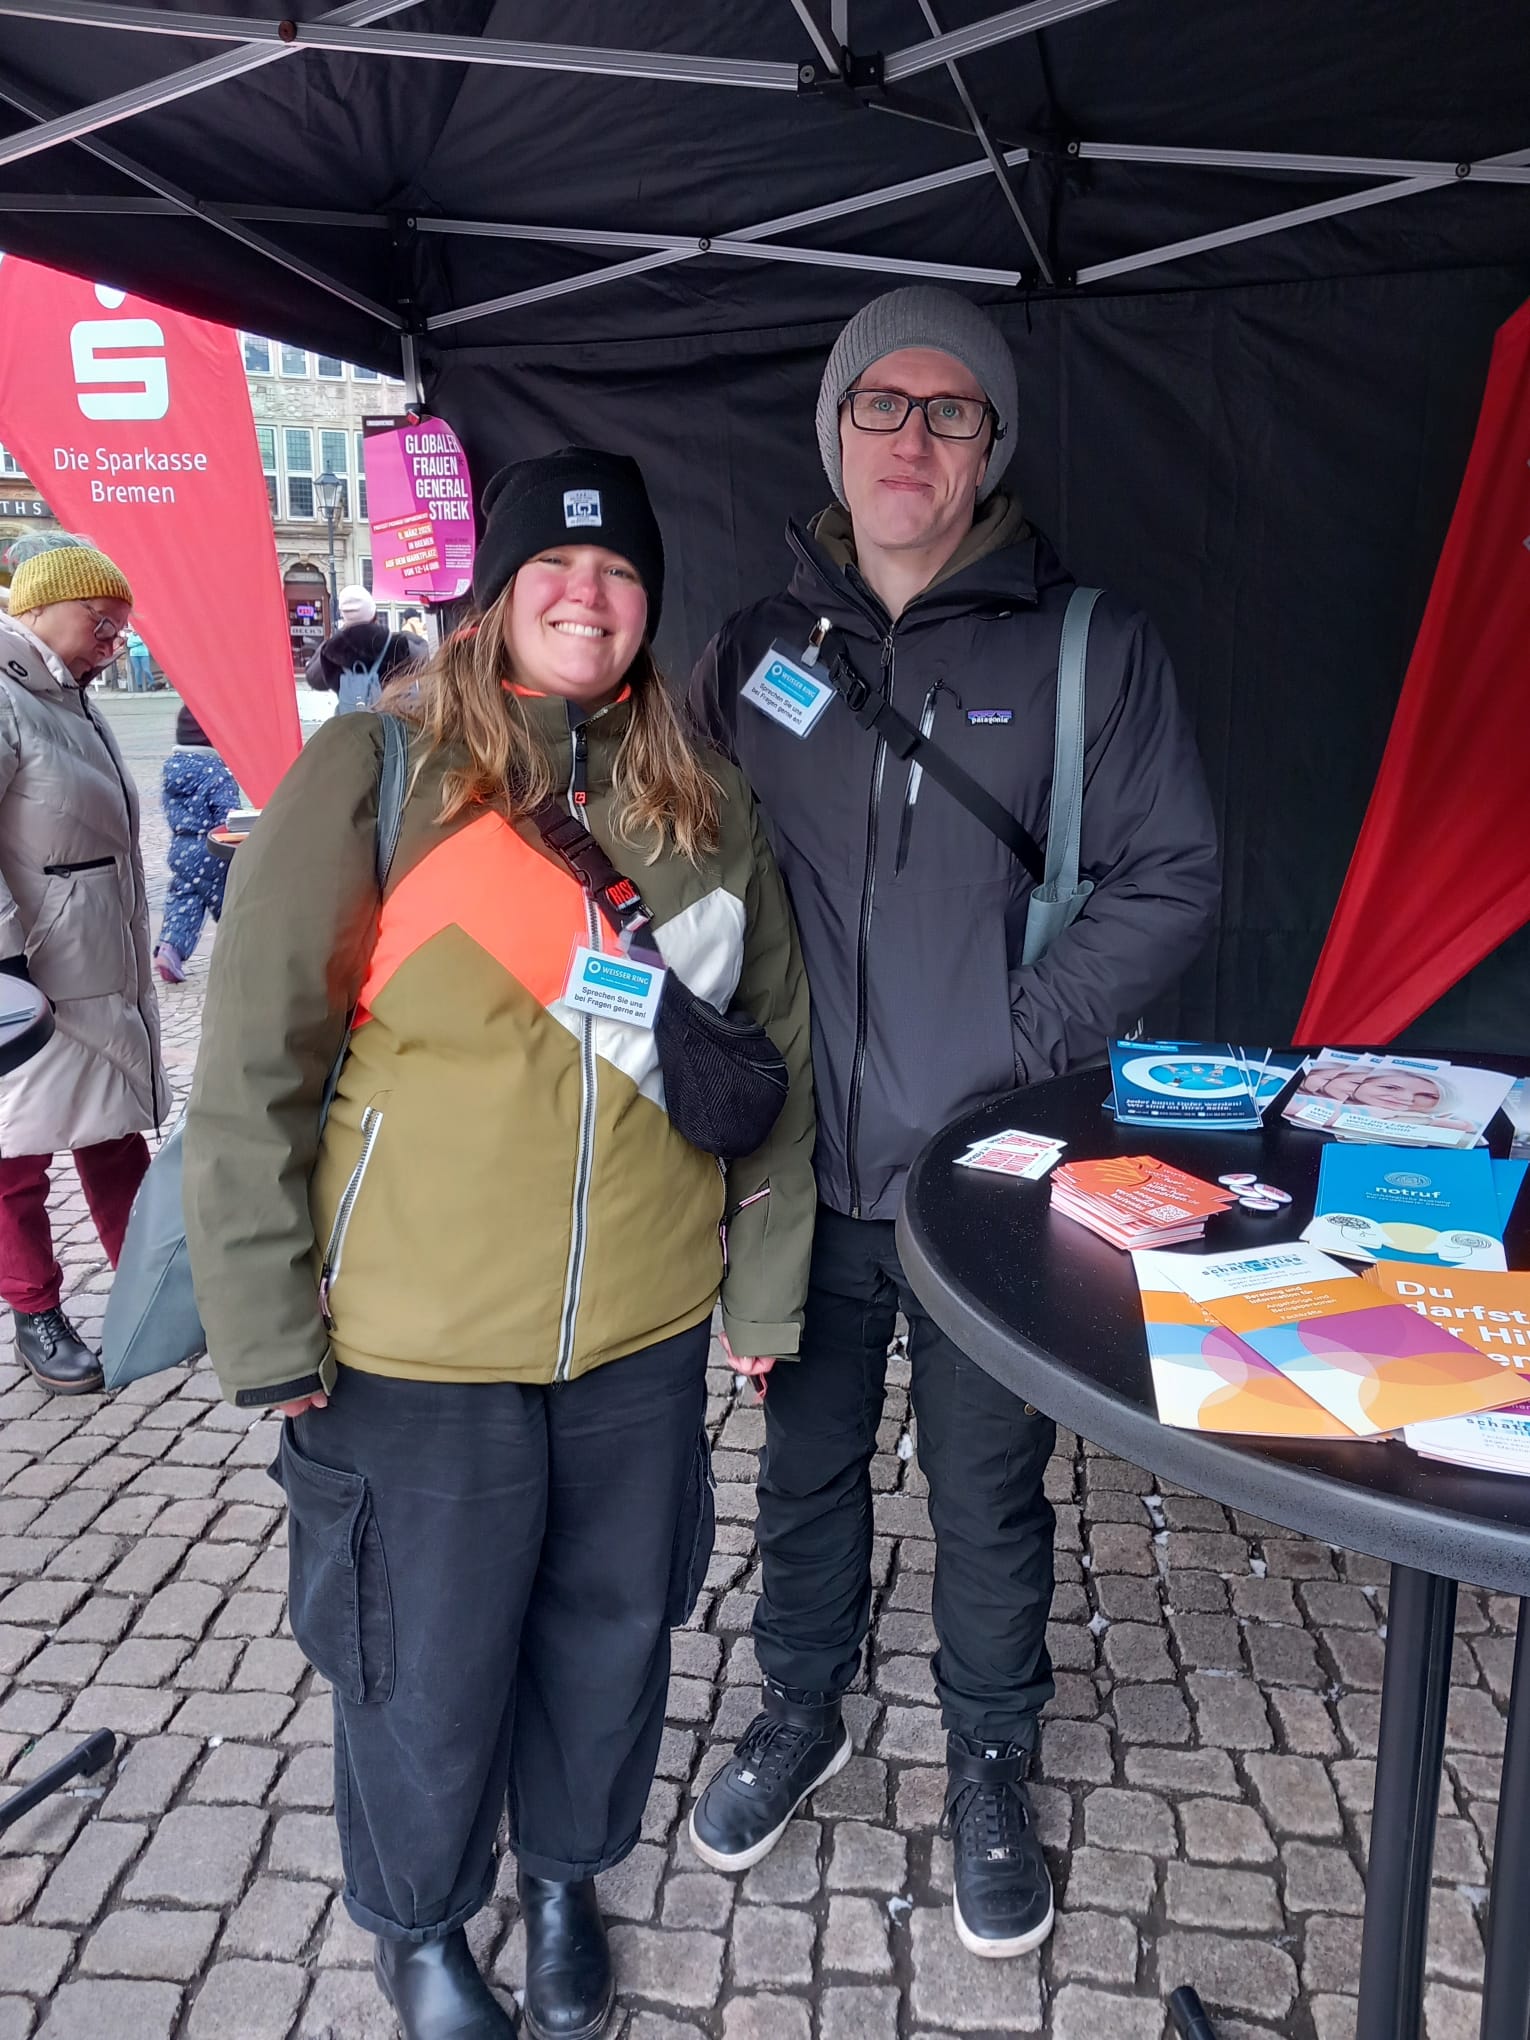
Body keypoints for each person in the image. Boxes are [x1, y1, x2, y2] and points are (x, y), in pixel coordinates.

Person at [184, 448, 816, 2040]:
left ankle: (561, 1884)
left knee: (609, 1633)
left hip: (643, 1326)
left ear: (648, 602)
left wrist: (762, 1282)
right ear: (496, 588)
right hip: (412, 1336)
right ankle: (419, 1922)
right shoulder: (376, 770)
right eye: (554, 566)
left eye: (616, 573)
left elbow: (775, 1061)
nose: (584, 594)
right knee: (423, 1659)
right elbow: (252, 1059)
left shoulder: (706, 800)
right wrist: (264, 1327)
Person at [688, 287, 1221, 1958]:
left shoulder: (1086, 648)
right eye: (882, 407)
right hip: (801, 1172)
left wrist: (1015, 1040)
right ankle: (803, 1702)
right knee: (805, 1464)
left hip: (982, 1176)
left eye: (951, 411)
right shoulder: (754, 654)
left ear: (992, 445)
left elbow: (1174, 876)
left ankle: (991, 1746)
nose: (911, 437)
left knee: (991, 1488)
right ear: (834, 432)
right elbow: (686, 875)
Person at [0, 540, 170, 1395]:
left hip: (89, 958)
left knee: (112, 1130)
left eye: (121, 629)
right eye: (101, 621)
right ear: (41, 608)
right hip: (26, 973)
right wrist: (3, 967)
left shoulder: (66, 696)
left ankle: (156, 1289)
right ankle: (35, 1309)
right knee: (12, 1154)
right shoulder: (6, 692)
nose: (114, 641)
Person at [153, 704, 239, 983]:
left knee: (184, 900)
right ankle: (241, 951)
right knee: (230, 902)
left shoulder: (172, 769)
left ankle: (170, 949)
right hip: (212, 851)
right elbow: (228, 817)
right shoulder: (218, 772)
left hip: (182, 848)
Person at [305, 585, 424, 711]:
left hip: (353, 723)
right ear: (374, 614)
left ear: (344, 617)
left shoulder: (332, 649)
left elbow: (315, 680)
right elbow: (425, 661)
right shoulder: (399, 644)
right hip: (392, 720)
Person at [124, 624, 155, 692]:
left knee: (146, 669)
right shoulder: (131, 635)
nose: (134, 630)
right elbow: (129, 644)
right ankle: (139, 685)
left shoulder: (143, 634)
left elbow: (143, 641)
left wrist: (135, 643)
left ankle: (152, 683)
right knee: (137, 670)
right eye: (133, 629)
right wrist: (139, 642)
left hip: (144, 654)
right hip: (134, 655)